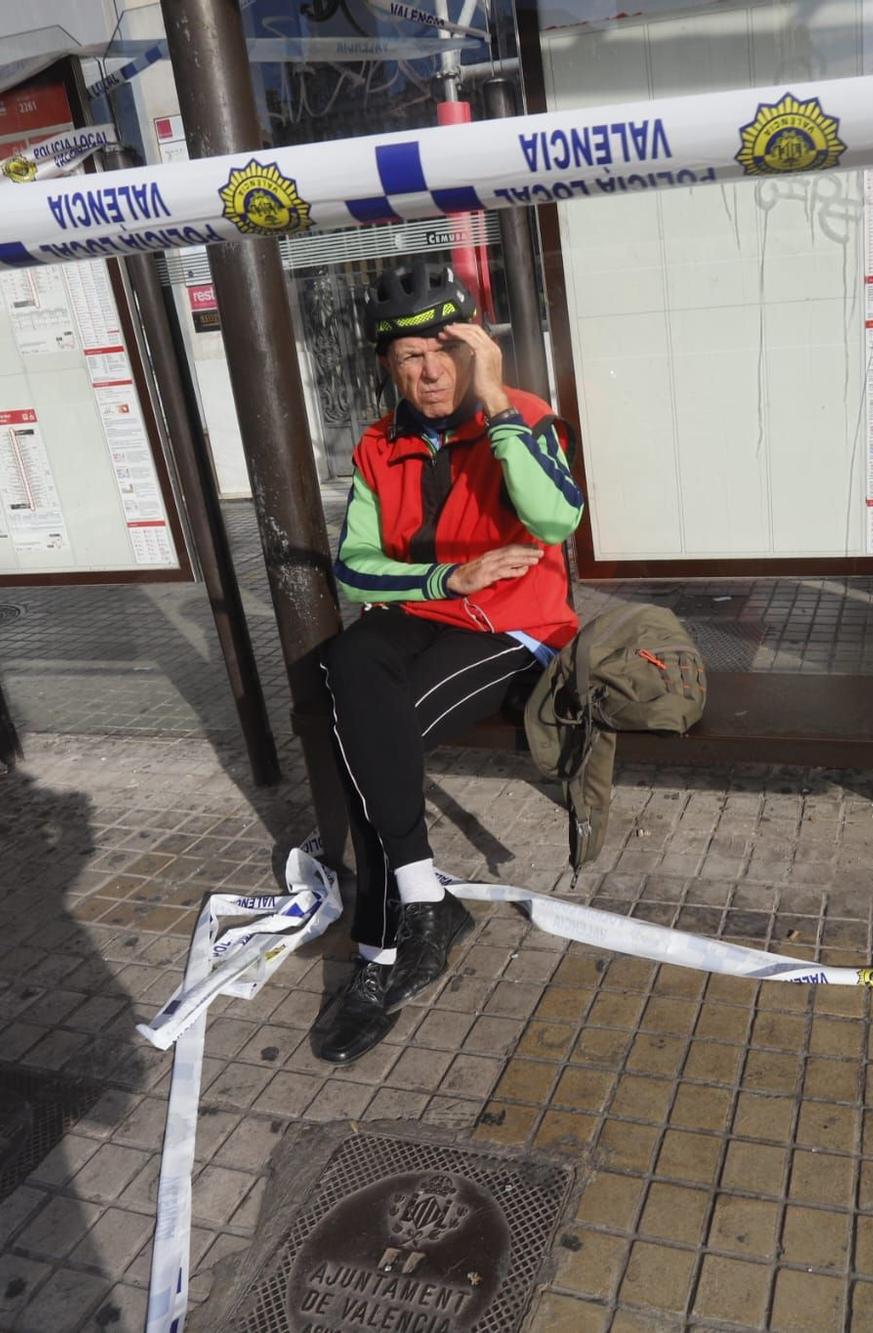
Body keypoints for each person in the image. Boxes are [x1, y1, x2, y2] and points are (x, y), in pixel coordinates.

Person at [310, 259, 584, 1064]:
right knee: (353, 665)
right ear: (387, 369)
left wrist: (498, 401)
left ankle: (382, 952)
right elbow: (354, 566)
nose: (425, 371)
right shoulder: (377, 445)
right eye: (406, 359)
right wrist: (442, 577)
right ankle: (427, 900)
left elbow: (555, 518)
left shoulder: (523, 415)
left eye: (441, 350)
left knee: (363, 741)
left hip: (511, 626)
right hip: (427, 607)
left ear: (471, 349)